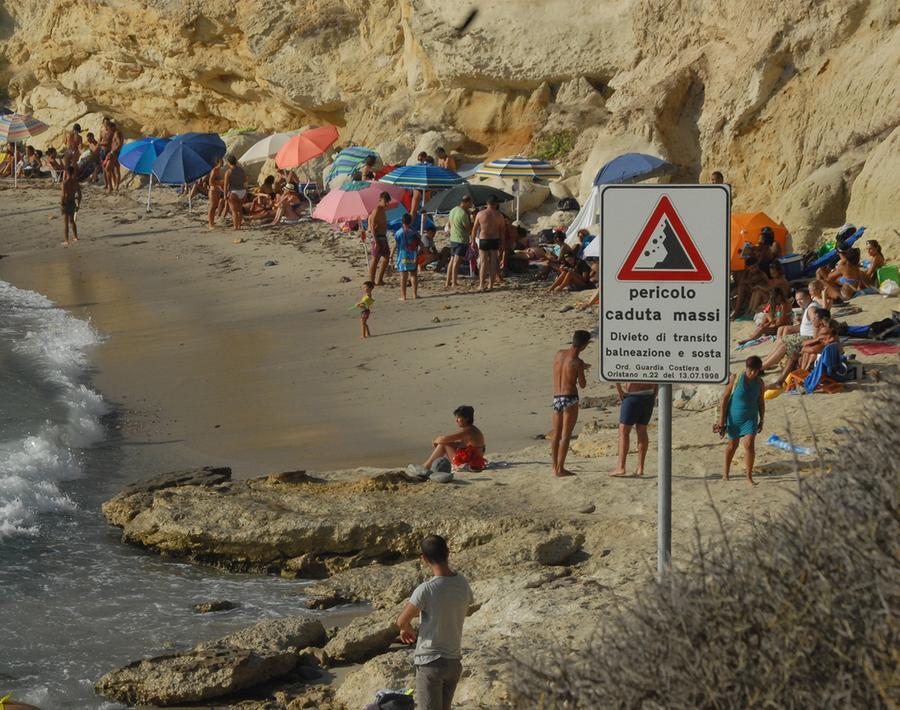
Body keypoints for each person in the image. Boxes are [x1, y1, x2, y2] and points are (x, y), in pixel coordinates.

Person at [397, 535, 473, 710]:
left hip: (430, 662)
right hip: (453, 661)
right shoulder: (462, 583)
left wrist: (406, 629)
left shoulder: (426, 589)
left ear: (423, 558)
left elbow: (401, 620)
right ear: (448, 552)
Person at [715, 356, 765, 485]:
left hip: (751, 417)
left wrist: (762, 419)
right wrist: (721, 421)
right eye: (750, 370)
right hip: (734, 417)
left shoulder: (759, 383)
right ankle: (725, 473)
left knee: (749, 444)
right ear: (746, 368)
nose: (752, 373)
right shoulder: (736, 378)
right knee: (733, 445)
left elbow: (761, 402)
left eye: (756, 371)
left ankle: (749, 477)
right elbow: (724, 399)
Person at [550, 330, 591, 477]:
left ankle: (554, 467)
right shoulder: (578, 362)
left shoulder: (559, 354)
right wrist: (583, 370)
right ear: (585, 345)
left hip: (557, 397)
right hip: (570, 397)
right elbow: (582, 384)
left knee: (556, 434)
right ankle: (560, 468)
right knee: (566, 435)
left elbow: (564, 366)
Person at [611, 382, 657, 477]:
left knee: (623, 430)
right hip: (649, 394)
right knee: (642, 430)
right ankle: (640, 468)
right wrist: (654, 394)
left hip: (634, 395)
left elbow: (616, 370)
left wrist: (619, 390)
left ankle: (621, 467)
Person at [423, 406, 486, 472]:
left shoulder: (467, 431)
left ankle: (426, 467)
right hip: (474, 462)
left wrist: (435, 441)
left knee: (444, 444)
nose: (456, 420)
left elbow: (443, 439)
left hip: (472, 464)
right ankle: (426, 466)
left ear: (467, 418)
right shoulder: (471, 429)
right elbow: (460, 444)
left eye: (458, 418)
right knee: (447, 443)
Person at [471, 195, 504, 291]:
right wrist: (502, 244)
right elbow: (502, 232)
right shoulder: (500, 215)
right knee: (493, 262)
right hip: (495, 239)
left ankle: (481, 285)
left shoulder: (481, 214)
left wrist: (473, 241)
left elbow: (474, 229)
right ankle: (491, 285)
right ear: (496, 204)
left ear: (487, 203)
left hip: (484, 239)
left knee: (483, 262)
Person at [445, 194, 472, 287]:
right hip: (461, 239)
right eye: (470, 203)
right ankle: (454, 282)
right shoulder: (463, 214)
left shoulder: (453, 210)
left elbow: (449, 224)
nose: (471, 205)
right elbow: (468, 228)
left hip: (453, 238)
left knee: (452, 260)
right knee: (457, 261)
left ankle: (448, 281)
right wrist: (469, 217)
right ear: (466, 202)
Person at [367, 191, 391, 286]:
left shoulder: (383, 210)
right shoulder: (377, 209)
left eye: (388, 201)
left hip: (383, 237)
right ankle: (371, 280)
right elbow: (372, 225)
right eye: (385, 201)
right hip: (377, 237)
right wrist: (375, 239)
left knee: (386, 258)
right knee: (375, 259)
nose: (387, 203)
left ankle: (379, 279)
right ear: (380, 200)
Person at [395, 213, 420, 300]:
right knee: (413, 274)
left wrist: (391, 255)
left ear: (402, 221)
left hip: (403, 255)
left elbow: (397, 243)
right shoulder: (414, 231)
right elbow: (419, 242)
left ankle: (403, 296)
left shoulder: (399, 232)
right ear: (410, 221)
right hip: (412, 255)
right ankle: (415, 294)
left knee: (403, 275)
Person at [222, 155, 247, 230]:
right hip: (242, 192)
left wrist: (224, 195)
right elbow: (245, 180)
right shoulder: (241, 170)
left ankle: (236, 227)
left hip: (234, 192)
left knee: (234, 211)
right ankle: (239, 225)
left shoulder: (228, 172)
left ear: (229, 162)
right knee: (240, 210)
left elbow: (226, 185)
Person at [60, 164, 82, 246]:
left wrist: (62, 204)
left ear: (66, 172)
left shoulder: (64, 183)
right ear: (73, 172)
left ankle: (66, 240)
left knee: (66, 223)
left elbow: (63, 195)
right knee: (72, 221)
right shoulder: (75, 182)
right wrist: (78, 204)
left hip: (66, 202)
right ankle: (76, 237)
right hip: (72, 202)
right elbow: (79, 194)